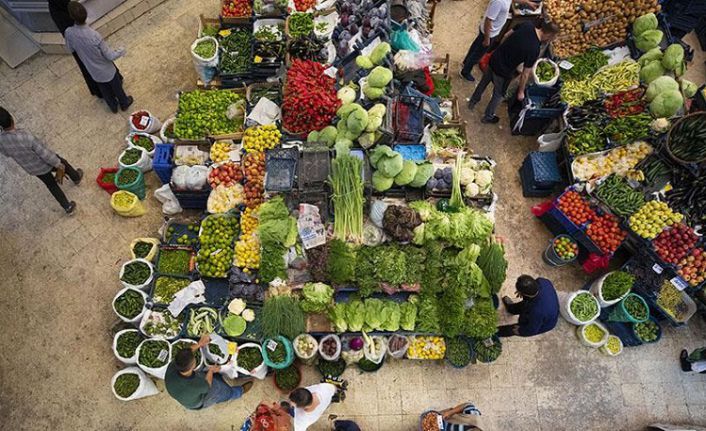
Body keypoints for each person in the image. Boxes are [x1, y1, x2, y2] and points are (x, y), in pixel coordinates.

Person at [468, 20, 560, 124]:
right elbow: (525, 74)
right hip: (503, 71)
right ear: (548, 35)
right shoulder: (534, 49)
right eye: (553, 37)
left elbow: (507, 35)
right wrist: (520, 92)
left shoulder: (527, 24)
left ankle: (473, 101)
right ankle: (488, 116)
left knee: (483, 82)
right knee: (498, 94)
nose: (552, 40)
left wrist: (500, 50)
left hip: (494, 59)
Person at [0, 107, 82, 214]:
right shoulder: (26, 137)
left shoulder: (1, 140)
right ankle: (76, 177)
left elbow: (6, 154)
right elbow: (45, 154)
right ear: (12, 119)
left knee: (51, 185)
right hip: (45, 163)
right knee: (63, 163)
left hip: (33, 169)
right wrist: (58, 164)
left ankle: (67, 207)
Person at [64, 1, 133, 113]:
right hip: (107, 69)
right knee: (117, 88)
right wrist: (121, 51)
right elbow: (109, 56)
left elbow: (70, 49)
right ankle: (124, 102)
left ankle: (113, 107)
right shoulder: (94, 35)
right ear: (85, 14)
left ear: (71, 16)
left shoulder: (69, 33)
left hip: (93, 71)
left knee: (105, 90)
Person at [164, 335, 253, 410]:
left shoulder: (173, 366)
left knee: (212, 378)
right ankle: (238, 392)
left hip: (183, 393)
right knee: (220, 390)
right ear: (192, 367)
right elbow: (207, 385)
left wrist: (199, 344)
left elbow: (186, 353)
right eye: (194, 360)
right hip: (198, 401)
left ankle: (219, 379)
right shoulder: (194, 385)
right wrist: (211, 370)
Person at [459, 0, 539, 82]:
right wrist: (487, 39)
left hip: (490, 32)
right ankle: (465, 72)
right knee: (478, 54)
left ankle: (466, 63)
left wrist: (528, 3)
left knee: (476, 47)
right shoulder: (499, 2)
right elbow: (488, 20)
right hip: (488, 34)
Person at [48, 0, 102, 98]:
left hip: (77, 45)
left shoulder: (54, 9)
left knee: (86, 63)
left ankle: (99, 89)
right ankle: (109, 86)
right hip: (82, 40)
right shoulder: (65, 9)